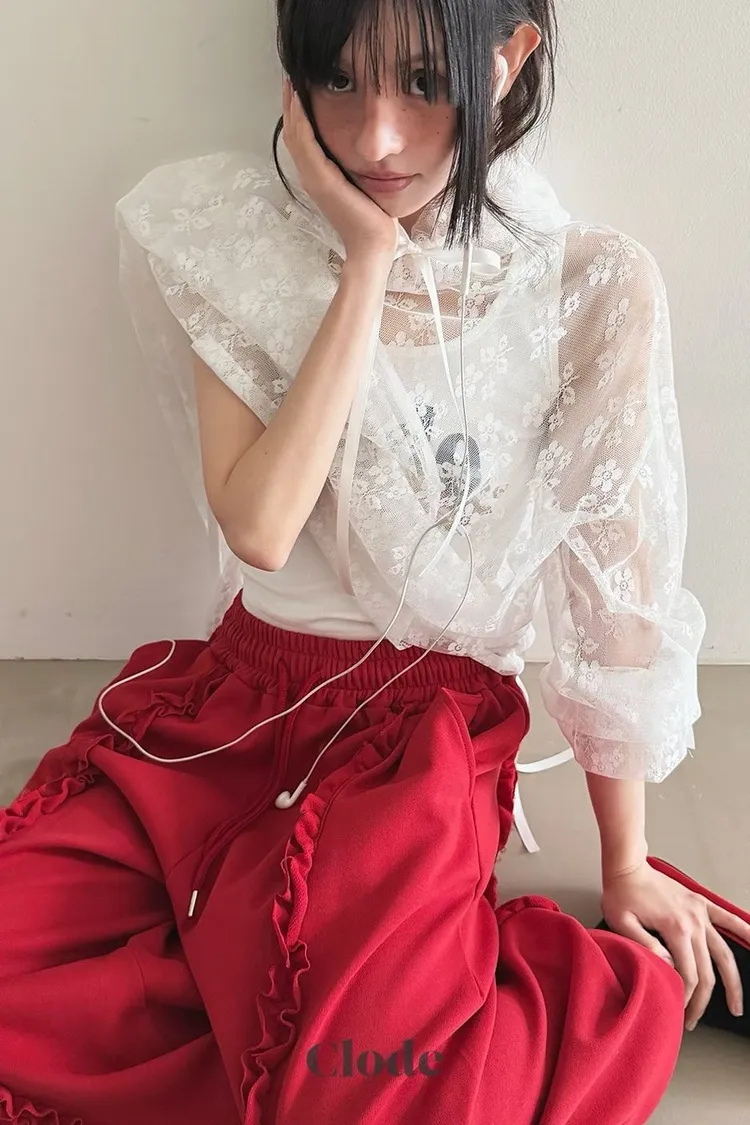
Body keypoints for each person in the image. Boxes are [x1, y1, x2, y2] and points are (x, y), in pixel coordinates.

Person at [1, 0, 749, 1122]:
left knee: (368, 1090)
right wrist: (366, 261)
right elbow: (260, 526)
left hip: (417, 737)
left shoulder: (589, 285)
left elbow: (615, 600)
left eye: (424, 82)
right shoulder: (234, 245)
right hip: (232, 708)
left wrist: (628, 862)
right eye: (338, 80)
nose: (377, 137)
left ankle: (572, 985)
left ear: (508, 59)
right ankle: (263, 993)